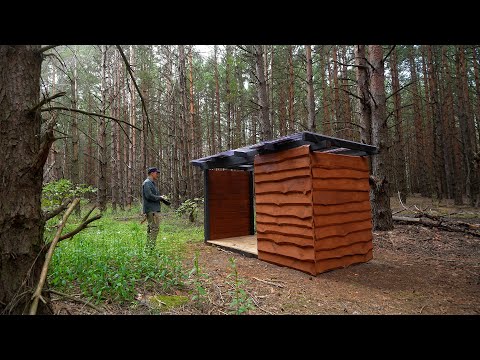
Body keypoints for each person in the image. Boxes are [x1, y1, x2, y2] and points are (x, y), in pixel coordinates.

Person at [142, 167, 164, 250]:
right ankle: (150, 249)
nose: (157, 175)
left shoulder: (151, 183)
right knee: (154, 229)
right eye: (156, 173)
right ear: (151, 173)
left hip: (152, 209)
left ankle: (148, 248)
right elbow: (149, 196)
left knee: (151, 229)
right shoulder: (147, 183)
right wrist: (160, 197)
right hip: (152, 210)